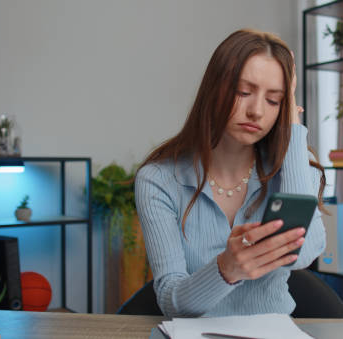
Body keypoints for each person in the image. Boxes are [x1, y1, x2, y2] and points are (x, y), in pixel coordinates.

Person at [135, 29, 326, 317]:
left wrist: (293, 127)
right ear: (213, 90)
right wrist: (226, 269)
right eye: (243, 92)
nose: (257, 112)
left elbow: (304, 254)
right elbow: (171, 301)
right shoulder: (158, 181)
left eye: (274, 100)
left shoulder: (294, 170)